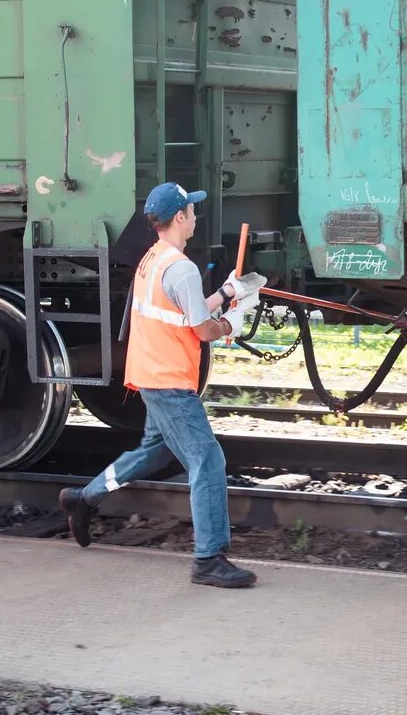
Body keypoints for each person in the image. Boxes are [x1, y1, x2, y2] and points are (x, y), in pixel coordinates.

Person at [58, 181, 266, 588]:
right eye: (191, 210)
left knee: (153, 453)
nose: (195, 216)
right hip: (169, 382)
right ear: (180, 218)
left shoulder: (153, 259)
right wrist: (232, 324)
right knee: (208, 462)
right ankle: (209, 559)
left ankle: (84, 500)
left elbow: (185, 312)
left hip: (150, 375)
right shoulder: (183, 268)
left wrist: (226, 293)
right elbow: (203, 330)